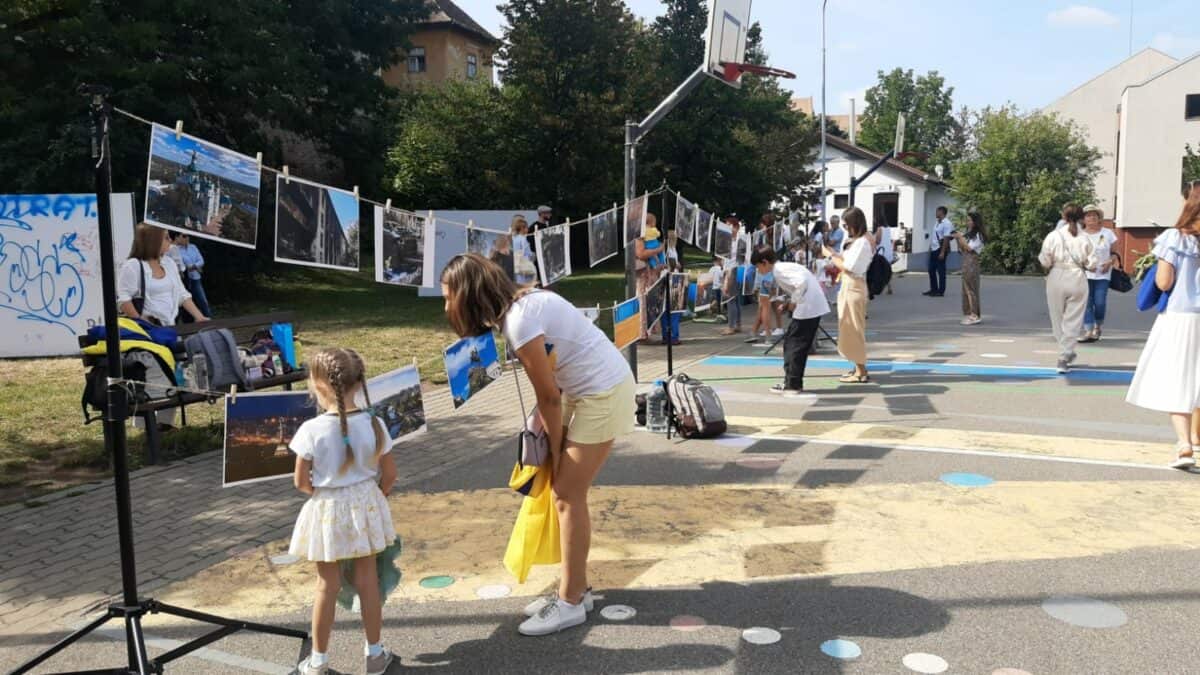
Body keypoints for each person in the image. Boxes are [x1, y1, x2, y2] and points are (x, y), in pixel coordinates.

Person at [440, 254, 636, 635]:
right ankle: (576, 587)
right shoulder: (523, 307)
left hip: (604, 393)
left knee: (565, 494)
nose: (446, 306)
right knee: (565, 493)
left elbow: (548, 397)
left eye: (448, 297)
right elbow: (554, 388)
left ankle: (571, 601)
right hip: (592, 389)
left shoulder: (519, 322)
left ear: (468, 295)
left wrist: (559, 456)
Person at [289, 347, 398, 675]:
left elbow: (300, 482)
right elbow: (390, 475)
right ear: (359, 382)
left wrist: (322, 496)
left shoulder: (311, 430)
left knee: (327, 585)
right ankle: (375, 654)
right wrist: (374, 496)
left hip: (328, 509)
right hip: (365, 505)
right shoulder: (375, 423)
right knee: (368, 581)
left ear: (319, 386)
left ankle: (319, 660)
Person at [1126, 192, 1200, 469]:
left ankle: (1185, 445)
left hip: (1180, 317)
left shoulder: (1174, 238)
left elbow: (1165, 282)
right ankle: (1196, 436)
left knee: (1178, 380)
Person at [752, 245, 829, 396]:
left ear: (765, 262)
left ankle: (792, 384)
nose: (758, 270)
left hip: (808, 308)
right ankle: (792, 381)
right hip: (810, 306)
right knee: (792, 344)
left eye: (758, 266)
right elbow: (798, 285)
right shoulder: (783, 268)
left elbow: (801, 283)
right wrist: (788, 303)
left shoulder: (779, 271)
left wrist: (793, 302)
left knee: (794, 346)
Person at [1039, 204, 1098, 374]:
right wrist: (1087, 265)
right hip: (1077, 277)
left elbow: (1045, 260)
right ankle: (1065, 354)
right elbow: (1092, 263)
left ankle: (1064, 350)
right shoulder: (1085, 238)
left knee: (1057, 316)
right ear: (1081, 217)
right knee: (1073, 318)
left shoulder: (1053, 236)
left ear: (1063, 217)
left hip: (1056, 275)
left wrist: (1050, 265)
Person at [118, 224, 208, 327]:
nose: (170, 240)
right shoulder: (133, 265)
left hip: (169, 327)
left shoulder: (169, 262)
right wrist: (142, 324)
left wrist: (199, 317)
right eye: (166, 237)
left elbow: (182, 294)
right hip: (146, 333)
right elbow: (124, 299)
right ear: (153, 241)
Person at [825, 207, 873, 383]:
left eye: (846, 225)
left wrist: (830, 256)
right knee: (848, 328)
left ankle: (861, 371)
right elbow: (845, 261)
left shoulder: (862, 242)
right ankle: (857, 367)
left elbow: (848, 267)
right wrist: (834, 254)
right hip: (848, 285)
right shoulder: (857, 241)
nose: (845, 228)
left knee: (854, 329)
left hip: (854, 285)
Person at [1079, 205, 1119, 343]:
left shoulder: (1108, 233)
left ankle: (1098, 326)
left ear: (1099, 218)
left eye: (1094, 215)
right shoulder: (1079, 235)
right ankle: (1088, 330)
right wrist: (1084, 265)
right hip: (1084, 274)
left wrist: (1109, 262)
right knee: (1086, 303)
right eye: (1088, 215)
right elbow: (1074, 256)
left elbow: (1115, 253)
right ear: (1083, 219)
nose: (1091, 218)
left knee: (1099, 302)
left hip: (1103, 274)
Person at [634, 215, 668, 341]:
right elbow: (641, 254)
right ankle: (641, 332)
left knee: (651, 300)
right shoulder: (640, 236)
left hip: (650, 273)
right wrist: (659, 249)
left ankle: (647, 330)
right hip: (643, 274)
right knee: (643, 300)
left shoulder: (648, 235)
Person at [951, 212, 986, 325]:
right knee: (965, 290)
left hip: (972, 263)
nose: (968, 222)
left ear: (975, 222)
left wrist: (960, 237)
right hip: (966, 262)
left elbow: (969, 248)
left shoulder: (978, 235)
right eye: (967, 220)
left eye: (970, 220)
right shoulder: (970, 234)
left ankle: (975, 315)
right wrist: (957, 238)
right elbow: (962, 250)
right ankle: (969, 313)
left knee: (971, 290)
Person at [169, 232, 212, 319]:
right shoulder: (174, 249)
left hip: (195, 278)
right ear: (177, 237)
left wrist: (194, 266)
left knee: (203, 301)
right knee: (185, 303)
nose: (187, 238)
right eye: (184, 236)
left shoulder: (193, 247)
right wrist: (195, 267)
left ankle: (209, 320)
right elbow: (182, 266)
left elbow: (201, 260)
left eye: (188, 236)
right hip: (184, 280)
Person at [720, 216, 744, 335]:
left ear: (736, 227)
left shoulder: (740, 240)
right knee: (734, 299)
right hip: (728, 269)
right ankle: (737, 324)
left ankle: (732, 326)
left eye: (730, 225)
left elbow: (741, 258)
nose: (728, 228)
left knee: (731, 299)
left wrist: (729, 274)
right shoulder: (727, 240)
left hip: (734, 270)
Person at [659, 230, 682, 345]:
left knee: (666, 309)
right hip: (671, 279)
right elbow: (671, 264)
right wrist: (676, 265)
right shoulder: (669, 250)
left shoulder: (667, 249)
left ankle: (666, 335)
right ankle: (673, 336)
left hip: (666, 278)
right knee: (673, 309)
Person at [924, 206, 953, 297]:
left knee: (941, 270)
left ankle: (941, 291)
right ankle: (933, 289)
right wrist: (930, 248)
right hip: (934, 248)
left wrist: (942, 252)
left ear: (942, 212)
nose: (936, 213)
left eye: (937, 211)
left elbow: (946, 238)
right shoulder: (937, 222)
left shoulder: (947, 223)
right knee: (931, 270)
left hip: (941, 249)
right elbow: (934, 236)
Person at [511, 215, 538, 286]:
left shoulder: (513, 238)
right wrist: (533, 255)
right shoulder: (523, 239)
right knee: (527, 287)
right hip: (525, 268)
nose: (528, 229)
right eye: (527, 228)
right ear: (522, 228)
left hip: (516, 268)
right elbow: (528, 254)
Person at [873, 219, 895, 296]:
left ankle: (877, 287)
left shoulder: (879, 228)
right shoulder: (888, 228)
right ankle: (889, 287)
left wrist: (872, 238)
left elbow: (878, 241)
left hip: (882, 251)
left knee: (879, 271)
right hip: (888, 251)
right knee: (887, 270)